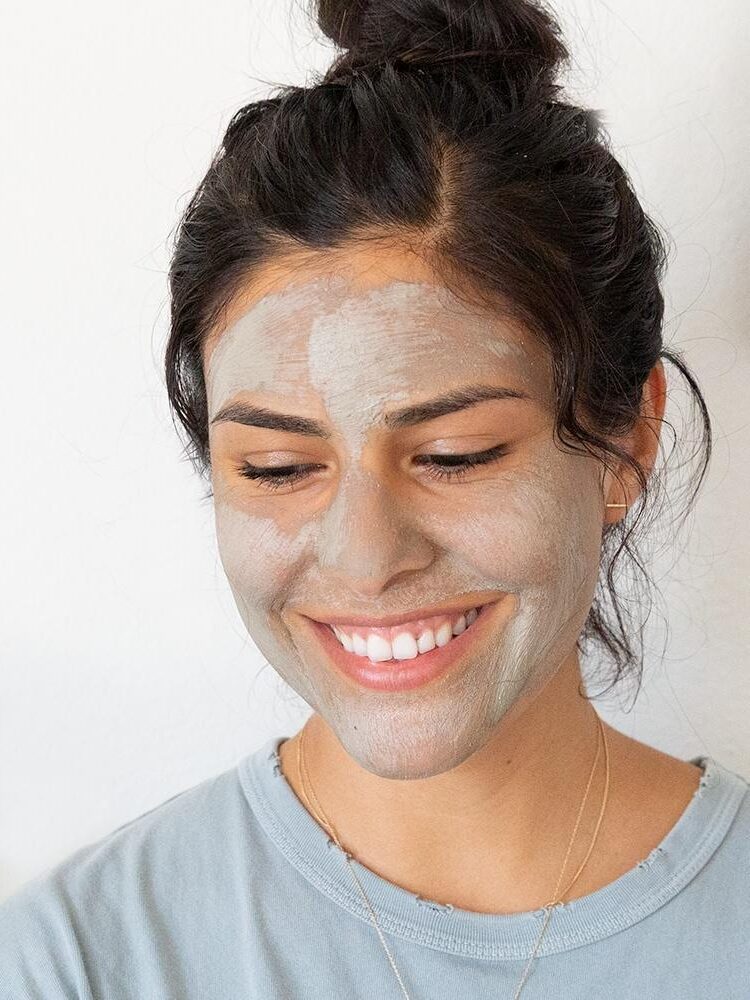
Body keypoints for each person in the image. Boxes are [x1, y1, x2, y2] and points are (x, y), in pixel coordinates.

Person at [2, 1, 748, 997]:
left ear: (625, 440)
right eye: (275, 468)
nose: (364, 555)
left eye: (454, 453)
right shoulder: (74, 964)